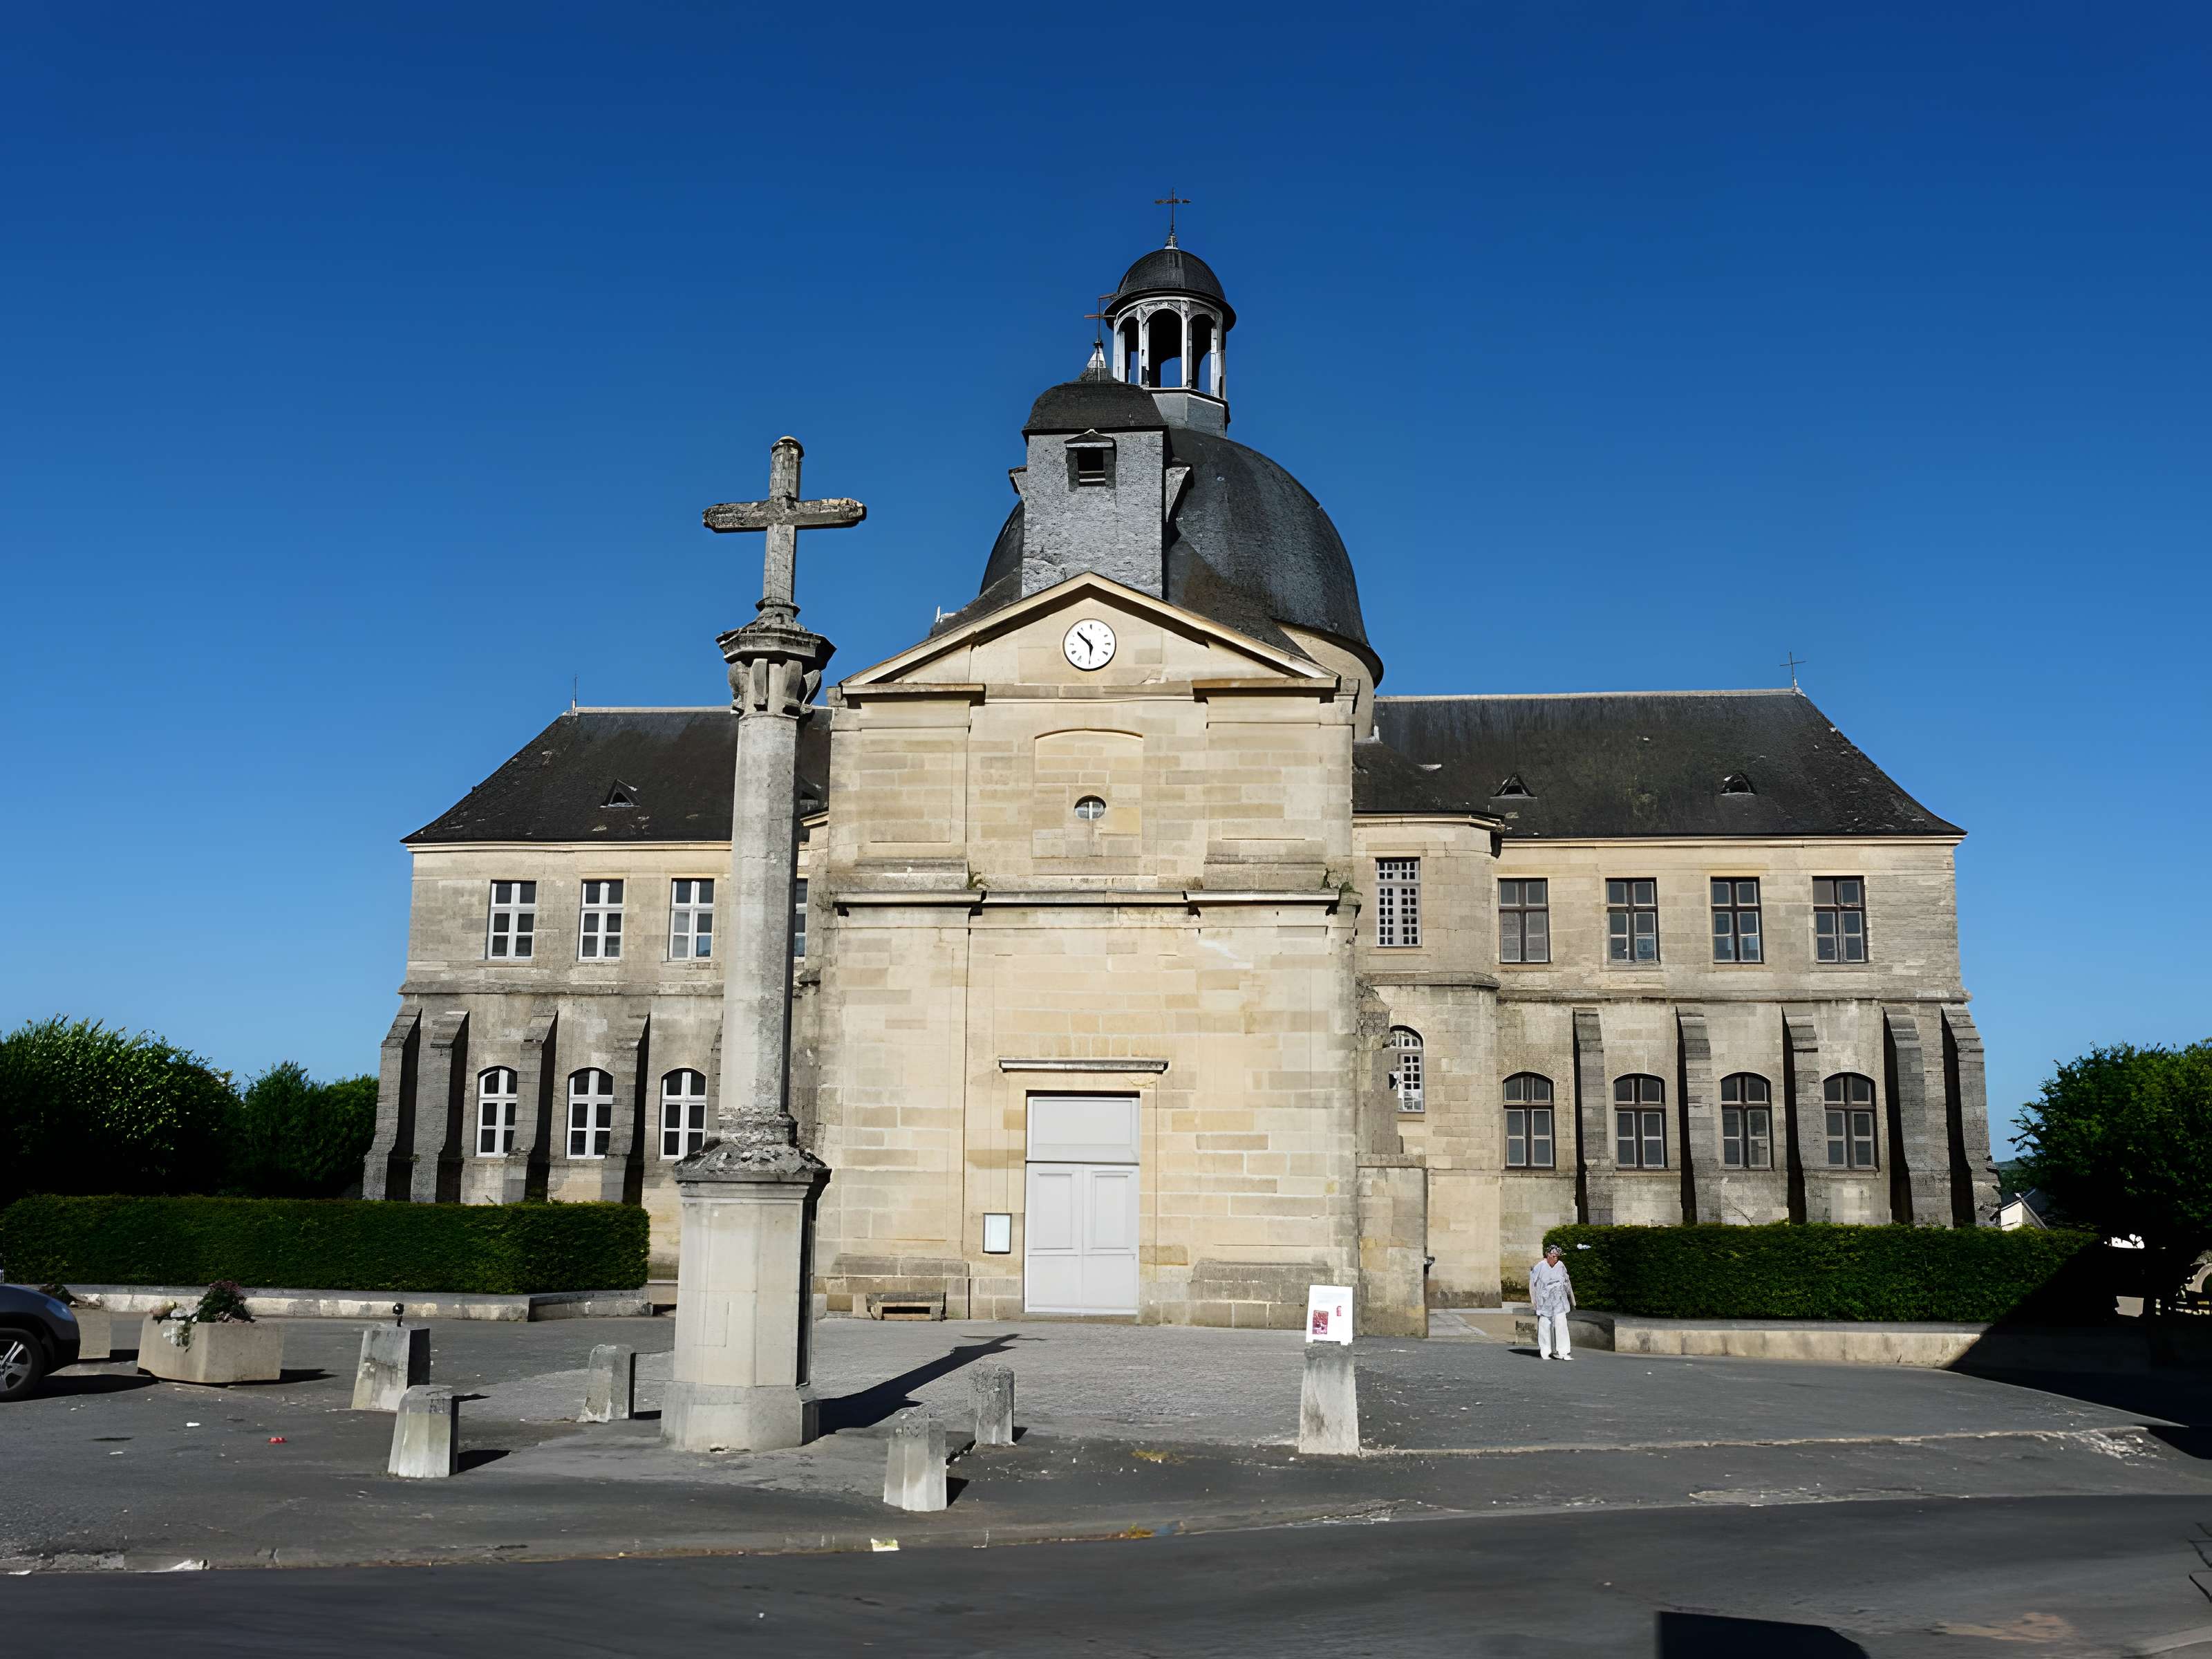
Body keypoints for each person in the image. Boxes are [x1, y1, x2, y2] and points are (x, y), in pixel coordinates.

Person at [1530, 1244, 1575, 1360]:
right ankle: (1546, 1350)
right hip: (1545, 1301)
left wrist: (1571, 1300)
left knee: (1561, 1323)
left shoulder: (1560, 1266)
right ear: (1548, 1255)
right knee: (1545, 1324)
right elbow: (1533, 1284)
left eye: (1557, 1256)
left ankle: (1563, 1351)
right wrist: (1534, 1301)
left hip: (1559, 1300)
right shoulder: (1540, 1266)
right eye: (1553, 1256)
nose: (1556, 1258)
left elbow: (1567, 1281)